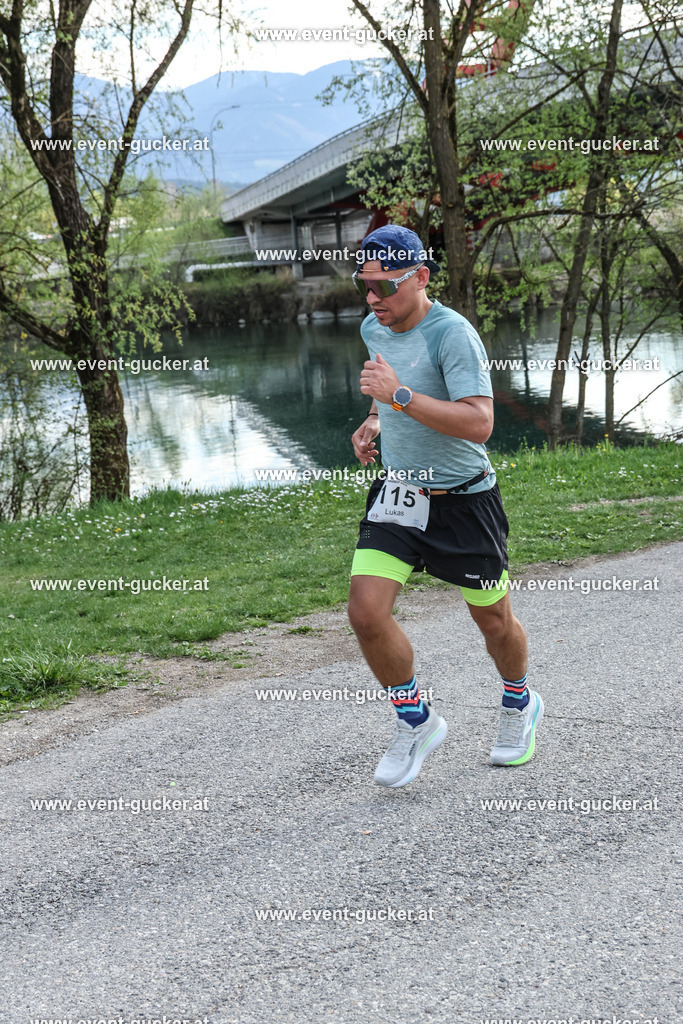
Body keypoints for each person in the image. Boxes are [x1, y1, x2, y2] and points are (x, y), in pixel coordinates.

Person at [348, 224, 543, 788]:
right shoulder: (373, 326)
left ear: (421, 278)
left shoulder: (452, 335)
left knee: (494, 621)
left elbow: (479, 423)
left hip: (463, 501)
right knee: (365, 612)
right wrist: (374, 419)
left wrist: (398, 399)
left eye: (384, 286)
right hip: (401, 492)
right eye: (365, 285)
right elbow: (389, 393)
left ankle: (518, 702)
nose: (372, 299)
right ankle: (415, 719)